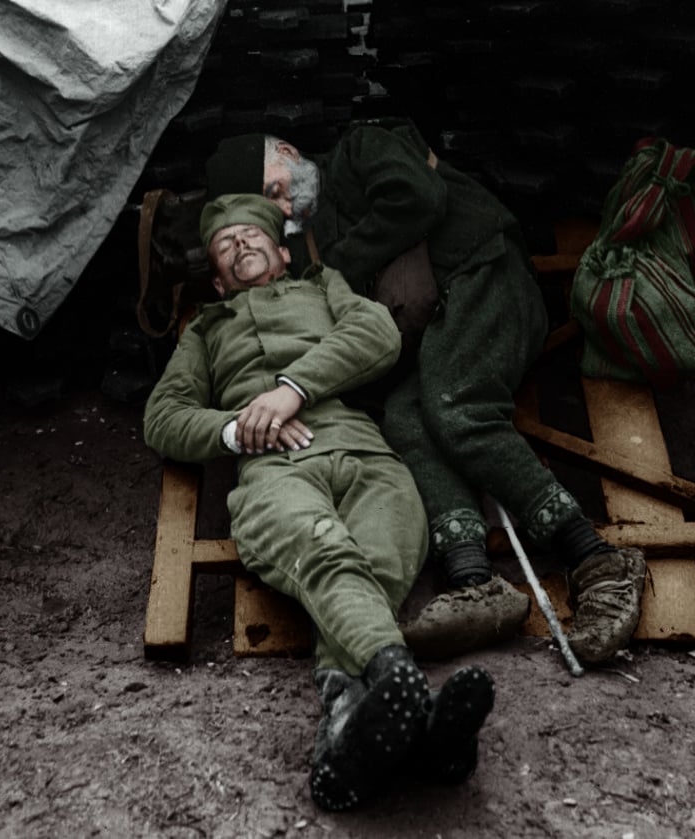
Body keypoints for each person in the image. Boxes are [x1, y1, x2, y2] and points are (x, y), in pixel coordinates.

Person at [204, 121, 647, 666]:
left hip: (484, 278)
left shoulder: (362, 148)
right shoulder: (312, 238)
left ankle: (596, 560)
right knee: (405, 418)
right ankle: (473, 581)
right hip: (433, 334)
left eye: (276, 189)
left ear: (290, 154)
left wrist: (332, 270)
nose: (285, 207)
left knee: (456, 404)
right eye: (272, 209)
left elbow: (418, 196)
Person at [142, 193, 496, 811]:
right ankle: (400, 687)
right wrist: (236, 428)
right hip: (274, 469)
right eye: (227, 246)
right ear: (219, 279)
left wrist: (292, 388)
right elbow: (163, 417)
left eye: (253, 237)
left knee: (382, 555)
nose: (241, 246)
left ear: (282, 252)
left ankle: (349, 725)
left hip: (363, 451)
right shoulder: (204, 330)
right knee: (325, 551)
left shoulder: (324, 286)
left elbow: (376, 332)